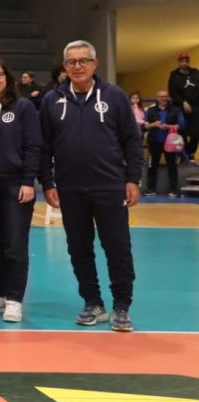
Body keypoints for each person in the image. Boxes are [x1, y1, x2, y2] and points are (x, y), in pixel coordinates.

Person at [40, 40, 141, 332]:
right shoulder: (52, 100)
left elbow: (131, 141)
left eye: (83, 60)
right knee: (79, 249)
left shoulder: (114, 96)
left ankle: (121, 306)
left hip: (110, 187)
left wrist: (132, 179)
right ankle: (93, 303)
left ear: (95, 64)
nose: (78, 66)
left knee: (118, 248)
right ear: (64, 66)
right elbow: (43, 147)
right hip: (70, 188)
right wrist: (47, 182)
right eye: (71, 62)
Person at [0, 58, 42, 323]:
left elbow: (34, 145)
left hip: (15, 185)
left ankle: (14, 299)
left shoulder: (23, 107)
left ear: (7, 78)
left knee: (14, 245)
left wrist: (28, 181)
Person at [145, 90, 186, 197]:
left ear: (168, 98)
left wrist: (168, 126)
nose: (164, 98)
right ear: (157, 98)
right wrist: (153, 124)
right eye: (161, 96)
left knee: (172, 166)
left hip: (171, 144)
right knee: (152, 166)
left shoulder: (176, 110)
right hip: (154, 142)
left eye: (166, 96)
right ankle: (150, 189)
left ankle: (173, 190)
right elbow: (144, 126)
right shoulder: (150, 110)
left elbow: (182, 125)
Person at [168, 53, 199, 161]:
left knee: (196, 133)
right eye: (182, 61)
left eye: (186, 61)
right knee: (182, 131)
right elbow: (172, 92)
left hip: (196, 107)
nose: (184, 63)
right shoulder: (174, 75)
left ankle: (190, 152)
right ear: (179, 62)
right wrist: (183, 102)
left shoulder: (196, 73)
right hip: (180, 107)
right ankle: (185, 155)